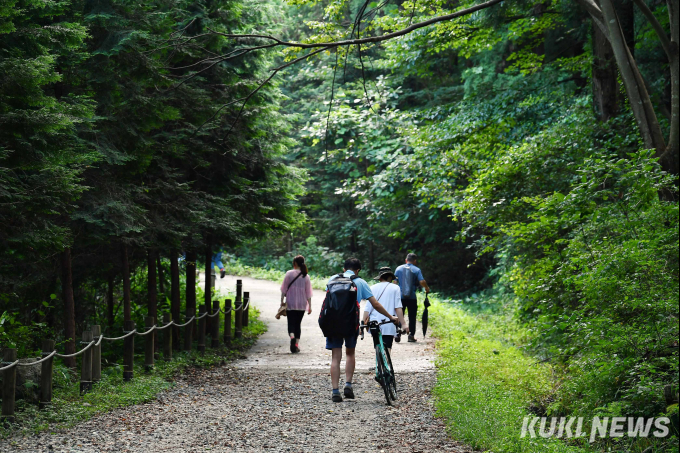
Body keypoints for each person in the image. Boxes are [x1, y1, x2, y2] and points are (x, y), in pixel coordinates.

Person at [324, 258, 399, 402]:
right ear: (358, 270)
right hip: (350, 323)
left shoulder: (333, 279)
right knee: (350, 353)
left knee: (335, 356)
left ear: (344, 268)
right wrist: (391, 316)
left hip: (333, 322)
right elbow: (375, 304)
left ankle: (335, 391)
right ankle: (348, 385)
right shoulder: (360, 282)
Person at [364, 267, 408, 355]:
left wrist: (363, 322)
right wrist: (403, 324)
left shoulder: (372, 288)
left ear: (380, 278)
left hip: (374, 322)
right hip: (389, 321)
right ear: (390, 277)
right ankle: (385, 365)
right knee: (387, 348)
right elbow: (398, 307)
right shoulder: (395, 288)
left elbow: (367, 308)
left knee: (377, 345)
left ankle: (379, 366)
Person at [280, 255, 313, 353]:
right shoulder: (306, 276)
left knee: (291, 322)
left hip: (291, 302)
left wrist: (281, 301)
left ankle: (292, 336)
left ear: (294, 264)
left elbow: (283, 289)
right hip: (302, 304)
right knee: (298, 324)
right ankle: (296, 344)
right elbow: (309, 293)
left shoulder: (289, 274)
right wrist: (310, 306)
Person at [394, 253, 430, 342]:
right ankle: (411, 336)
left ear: (406, 260)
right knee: (412, 316)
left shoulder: (398, 268)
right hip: (412, 298)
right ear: (414, 261)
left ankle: (397, 334)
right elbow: (422, 281)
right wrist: (426, 287)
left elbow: (394, 282)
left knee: (399, 315)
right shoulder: (416, 269)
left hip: (400, 297)